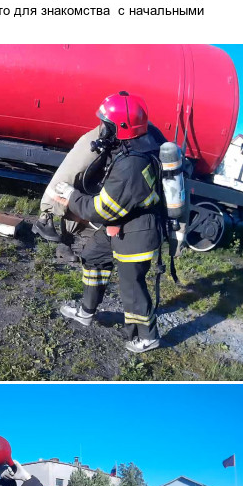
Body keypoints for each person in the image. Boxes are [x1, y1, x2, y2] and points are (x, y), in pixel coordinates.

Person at [69, 87, 163, 354]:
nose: (102, 128)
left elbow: (103, 209)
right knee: (94, 256)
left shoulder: (132, 163)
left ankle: (147, 335)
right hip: (120, 225)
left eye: (106, 124)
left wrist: (71, 197)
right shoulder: (129, 145)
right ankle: (86, 310)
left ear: (121, 127)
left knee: (132, 285)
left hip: (137, 231)